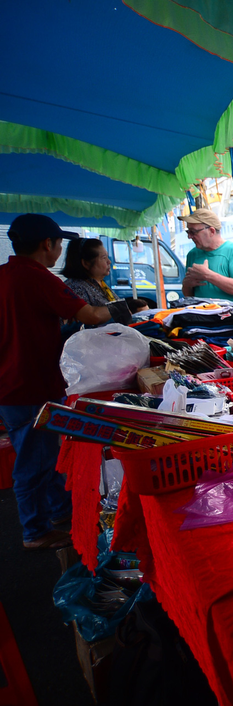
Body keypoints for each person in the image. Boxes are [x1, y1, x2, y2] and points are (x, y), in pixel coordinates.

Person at [0, 214, 130, 549]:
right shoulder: (39, 278)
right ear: (48, 245)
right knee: (33, 459)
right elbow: (90, 314)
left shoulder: (5, 274)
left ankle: (59, 513)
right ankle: (35, 531)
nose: (59, 249)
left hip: (13, 381)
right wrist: (122, 309)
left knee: (44, 455)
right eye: (59, 243)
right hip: (30, 384)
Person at [181, 208, 233, 303]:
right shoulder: (192, 254)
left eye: (193, 232)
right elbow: (188, 295)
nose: (189, 236)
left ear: (211, 231)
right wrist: (187, 285)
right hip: (202, 316)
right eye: (188, 232)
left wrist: (207, 275)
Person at [61, 238, 117, 307]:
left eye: (107, 257)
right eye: (104, 258)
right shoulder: (76, 289)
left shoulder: (99, 284)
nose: (109, 261)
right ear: (86, 263)